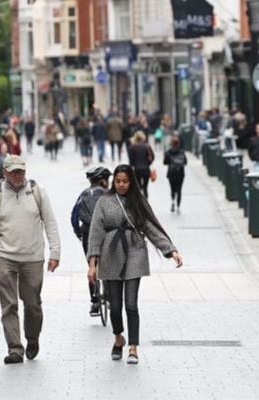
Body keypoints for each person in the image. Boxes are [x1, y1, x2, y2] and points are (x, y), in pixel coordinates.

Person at [87, 164, 183, 365]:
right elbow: (95, 233)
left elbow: (150, 228)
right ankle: (118, 338)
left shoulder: (138, 201)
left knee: (131, 304)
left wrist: (170, 249)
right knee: (114, 306)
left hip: (134, 252)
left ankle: (133, 347)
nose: (121, 185)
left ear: (131, 182)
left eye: (125, 181)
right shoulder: (104, 202)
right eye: (118, 181)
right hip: (111, 252)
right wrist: (92, 264)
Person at [0, 155, 61, 364]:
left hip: (32, 258)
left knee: (33, 304)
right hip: (5, 257)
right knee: (9, 305)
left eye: (21, 171)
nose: (18, 175)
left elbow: (50, 223)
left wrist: (55, 253)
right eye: (13, 172)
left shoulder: (37, 192)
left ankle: (32, 338)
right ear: (4, 173)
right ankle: (15, 348)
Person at [70, 166, 112, 315]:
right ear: (103, 180)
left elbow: (74, 216)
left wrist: (78, 231)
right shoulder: (108, 195)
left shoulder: (83, 195)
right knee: (108, 263)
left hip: (87, 233)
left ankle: (94, 301)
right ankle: (110, 295)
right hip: (106, 233)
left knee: (91, 265)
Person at [163, 135, 187, 213]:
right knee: (179, 189)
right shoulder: (182, 151)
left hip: (171, 172)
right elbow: (185, 162)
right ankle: (178, 207)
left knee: (172, 189)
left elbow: (165, 162)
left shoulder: (168, 152)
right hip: (180, 172)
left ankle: (173, 201)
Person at [128, 131, 154, 198]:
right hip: (146, 169)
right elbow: (152, 157)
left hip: (137, 169)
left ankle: (139, 202)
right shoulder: (147, 146)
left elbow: (131, 161)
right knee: (145, 187)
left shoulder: (132, 147)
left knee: (138, 187)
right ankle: (146, 200)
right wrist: (148, 163)